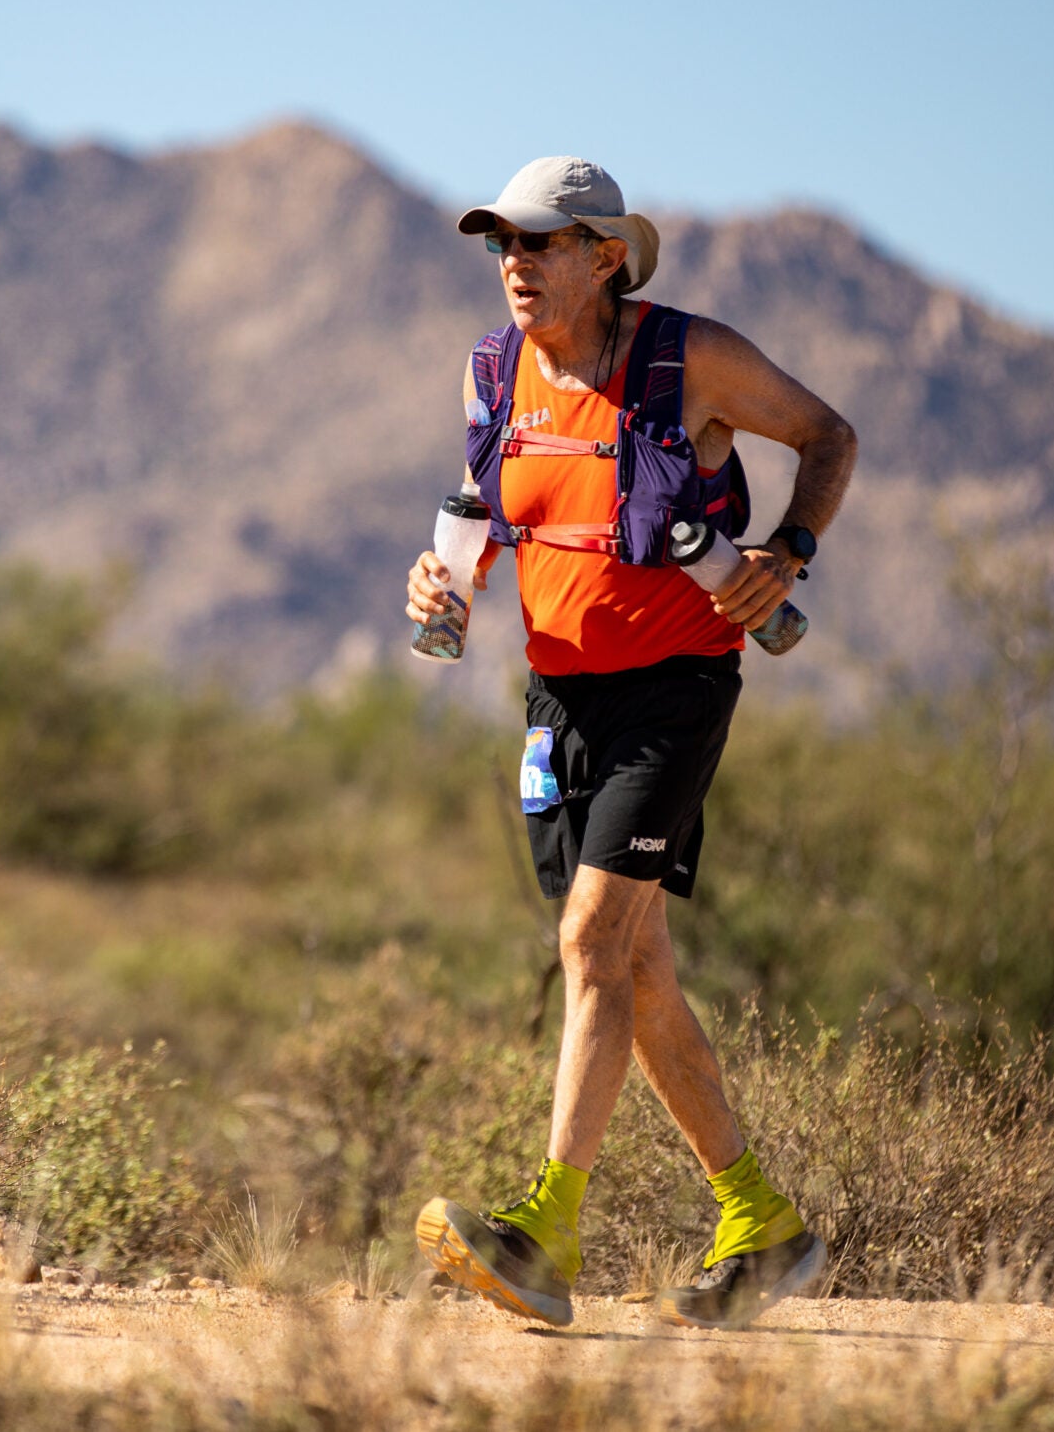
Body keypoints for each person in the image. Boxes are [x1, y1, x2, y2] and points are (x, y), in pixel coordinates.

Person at [405, 156, 857, 1329]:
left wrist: (786, 553)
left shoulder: (688, 358)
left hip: (675, 690)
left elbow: (826, 435)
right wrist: (442, 584)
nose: (514, 262)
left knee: (591, 941)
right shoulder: (495, 371)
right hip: (559, 706)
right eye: (501, 242)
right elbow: (486, 510)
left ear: (605, 256)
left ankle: (545, 1238)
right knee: (633, 969)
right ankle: (762, 1224)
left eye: (540, 243)